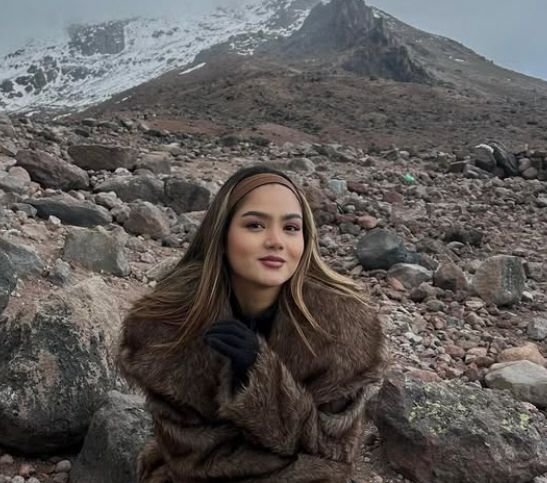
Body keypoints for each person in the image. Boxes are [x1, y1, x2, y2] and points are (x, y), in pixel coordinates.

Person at [118, 165, 387, 483]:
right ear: (222, 233)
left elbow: (333, 452)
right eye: (255, 225)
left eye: (291, 228)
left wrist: (259, 376)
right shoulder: (166, 326)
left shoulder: (342, 329)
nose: (276, 241)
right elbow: (190, 457)